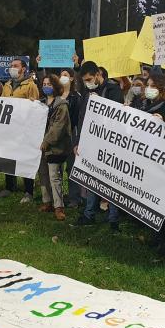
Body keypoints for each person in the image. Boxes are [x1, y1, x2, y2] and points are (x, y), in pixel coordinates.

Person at [75, 61, 124, 230]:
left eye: (90, 79)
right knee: (91, 179)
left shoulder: (113, 90)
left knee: (110, 181)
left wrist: (100, 101)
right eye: (85, 80)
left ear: (98, 74)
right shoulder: (87, 92)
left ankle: (113, 218)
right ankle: (89, 214)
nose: (88, 82)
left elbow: (117, 114)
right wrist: (78, 141)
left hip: (110, 143)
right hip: (92, 142)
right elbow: (82, 117)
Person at [0, 58, 40, 202]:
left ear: (23, 68)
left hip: (24, 129)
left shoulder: (31, 85)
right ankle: (9, 186)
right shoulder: (7, 85)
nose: (12, 68)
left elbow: (36, 108)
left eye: (15, 66)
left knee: (24, 158)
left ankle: (28, 191)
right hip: (9, 128)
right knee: (8, 157)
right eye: (11, 66)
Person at [37, 74, 72, 221]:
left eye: (49, 84)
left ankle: (59, 206)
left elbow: (58, 127)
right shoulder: (40, 103)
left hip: (55, 147)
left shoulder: (62, 105)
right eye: (44, 84)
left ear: (56, 86)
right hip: (40, 146)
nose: (46, 86)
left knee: (54, 176)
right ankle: (47, 202)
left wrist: (47, 141)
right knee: (43, 175)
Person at [59, 68, 83, 208]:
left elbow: (76, 118)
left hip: (70, 135)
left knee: (71, 168)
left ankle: (75, 198)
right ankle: (59, 197)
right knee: (57, 169)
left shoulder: (76, 96)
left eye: (66, 75)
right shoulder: (56, 95)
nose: (62, 77)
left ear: (72, 79)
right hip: (57, 136)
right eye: (61, 75)